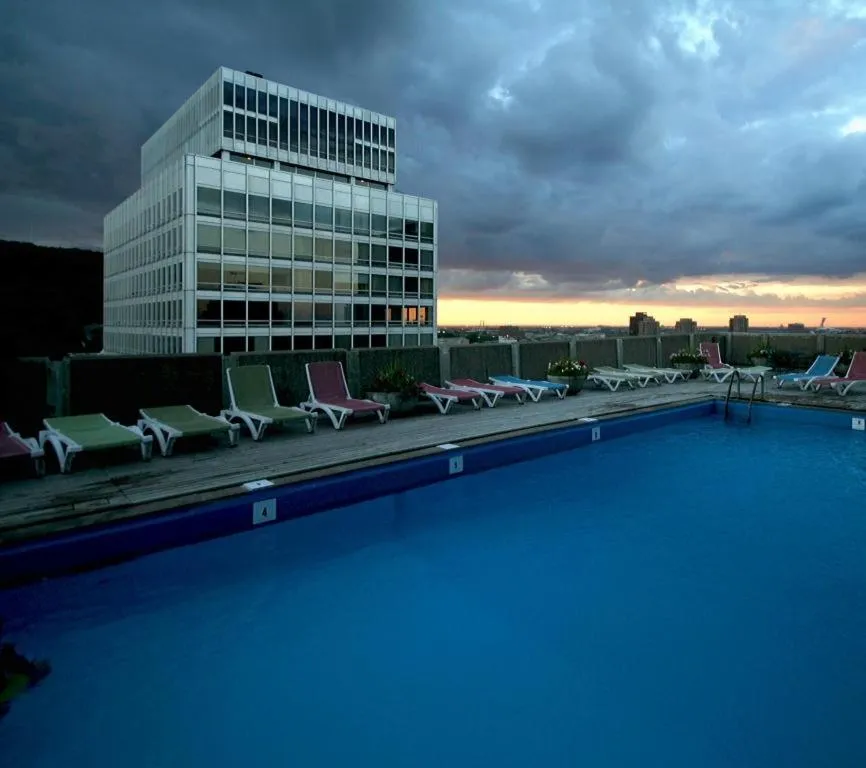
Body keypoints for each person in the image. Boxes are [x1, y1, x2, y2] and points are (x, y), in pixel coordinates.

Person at [0, 619, 51, 721]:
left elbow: (7, 693)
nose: (38, 662)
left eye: (41, 664)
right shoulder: (26, 671)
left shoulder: (23, 678)